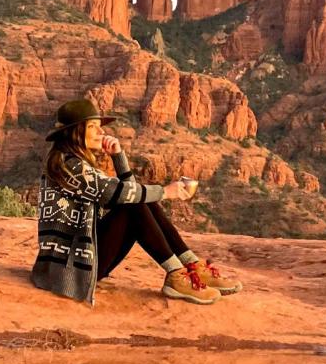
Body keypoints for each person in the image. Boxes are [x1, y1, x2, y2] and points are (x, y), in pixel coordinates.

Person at [30, 99, 242, 305]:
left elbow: (130, 193)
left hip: (76, 261)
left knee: (140, 201)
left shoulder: (70, 160)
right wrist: (166, 192)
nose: (101, 132)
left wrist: (118, 156)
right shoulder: (69, 166)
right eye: (93, 127)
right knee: (135, 202)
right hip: (69, 270)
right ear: (75, 132)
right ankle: (176, 274)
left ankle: (191, 266)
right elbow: (124, 195)